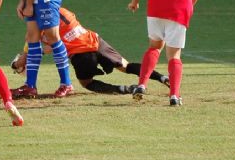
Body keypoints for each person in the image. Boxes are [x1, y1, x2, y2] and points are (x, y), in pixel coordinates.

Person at [10, 6, 170, 94]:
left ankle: (124, 89)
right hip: (96, 41)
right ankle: (162, 78)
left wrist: (18, 63)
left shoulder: (39, 25)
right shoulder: (62, 10)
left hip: (81, 54)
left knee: (87, 83)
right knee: (126, 66)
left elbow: (45, 48)